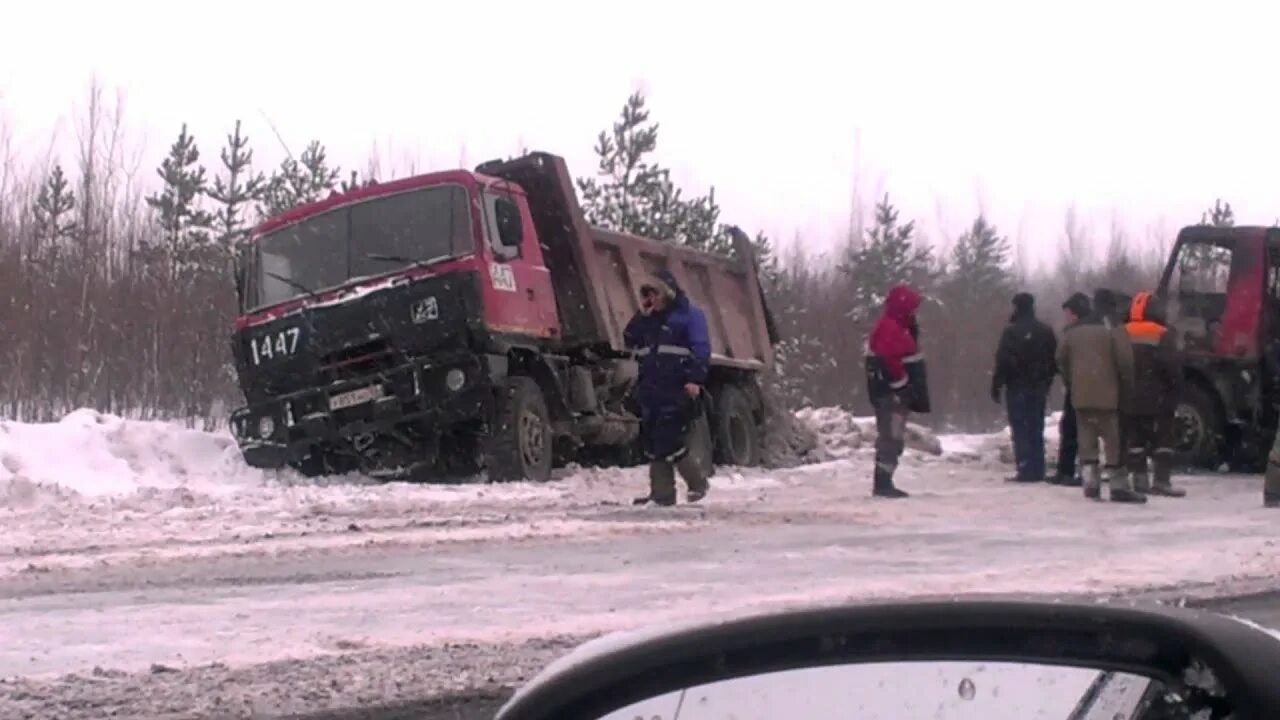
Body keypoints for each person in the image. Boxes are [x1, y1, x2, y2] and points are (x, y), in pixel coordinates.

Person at [624, 269, 712, 506]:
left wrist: (695, 379)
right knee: (652, 441)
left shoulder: (688, 316)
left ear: (666, 292)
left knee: (669, 440)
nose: (651, 298)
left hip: (677, 387)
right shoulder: (647, 320)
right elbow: (629, 339)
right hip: (651, 388)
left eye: (654, 292)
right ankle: (662, 494)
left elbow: (701, 349)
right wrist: (641, 315)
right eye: (646, 294)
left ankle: (697, 482)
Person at [1055, 289, 1146, 503]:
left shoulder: (1073, 330)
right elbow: (1125, 361)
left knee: (1086, 437)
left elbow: (1061, 359)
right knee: (1113, 440)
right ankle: (1118, 486)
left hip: (1081, 395)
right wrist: (1127, 386)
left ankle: (1091, 483)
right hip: (1109, 395)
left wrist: (1072, 382)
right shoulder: (1113, 328)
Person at [865, 285, 930, 499]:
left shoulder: (897, 326)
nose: (914, 312)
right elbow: (889, 359)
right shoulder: (891, 328)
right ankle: (883, 482)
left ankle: (885, 480)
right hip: (891, 394)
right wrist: (900, 383)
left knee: (893, 435)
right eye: (911, 308)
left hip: (893, 393)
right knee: (891, 436)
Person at [1122, 291, 1187, 498]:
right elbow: (1172, 368)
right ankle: (1161, 481)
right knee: (1163, 441)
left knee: (1135, 441)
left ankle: (1139, 480)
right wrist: (1175, 392)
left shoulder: (1122, 332)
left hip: (1129, 398)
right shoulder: (1162, 334)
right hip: (1157, 399)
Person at [990, 292, 1058, 483]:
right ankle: (1038, 467)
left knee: (1020, 427)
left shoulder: (1011, 331)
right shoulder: (1045, 330)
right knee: (1036, 426)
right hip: (1038, 386)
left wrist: (997, 384)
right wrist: (1047, 380)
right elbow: (1054, 359)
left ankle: (1025, 467)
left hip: (1016, 386)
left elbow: (1002, 360)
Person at [1049, 292, 1091, 487]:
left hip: (1076, 387)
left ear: (1074, 314)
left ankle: (1067, 471)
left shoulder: (1071, 333)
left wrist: (1068, 379)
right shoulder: (1102, 329)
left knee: (1072, 429)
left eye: (1067, 312)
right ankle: (1089, 472)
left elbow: (1061, 360)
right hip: (1098, 387)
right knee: (1091, 430)